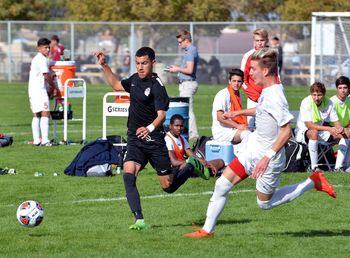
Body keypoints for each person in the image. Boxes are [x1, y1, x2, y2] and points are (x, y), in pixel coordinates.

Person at [184, 48, 336, 238]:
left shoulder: (275, 96)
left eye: (253, 69)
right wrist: (237, 113)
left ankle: (313, 182)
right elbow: (262, 111)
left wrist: (267, 157)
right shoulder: (267, 91)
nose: (250, 73)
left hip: (270, 158)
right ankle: (207, 230)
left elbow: (286, 130)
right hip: (254, 148)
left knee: (264, 204)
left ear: (265, 71)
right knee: (222, 184)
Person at [95, 47, 209, 230]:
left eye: (144, 63)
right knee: (128, 175)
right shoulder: (133, 80)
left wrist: (148, 129)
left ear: (153, 63)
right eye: (138, 63)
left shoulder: (157, 86)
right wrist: (104, 65)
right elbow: (116, 85)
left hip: (154, 140)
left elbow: (162, 115)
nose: (140, 67)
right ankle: (139, 220)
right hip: (135, 139)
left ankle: (189, 166)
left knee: (168, 186)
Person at [295, 82, 350, 172]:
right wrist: (329, 129)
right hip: (303, 131)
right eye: (314, 95)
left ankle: (339, 167)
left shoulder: (329, 102)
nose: (317, 98)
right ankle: (314, 167)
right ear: (311, 94)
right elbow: (309, 125)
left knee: (347, 133)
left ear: (324, 94)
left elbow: (336, 122)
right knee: (314, 132)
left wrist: (340, 129)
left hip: (321, 131)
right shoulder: (306, 102)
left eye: (319, 95)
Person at [240, 28, 280, 130]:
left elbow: (276, 76)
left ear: (266, 41)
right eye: (257, 40)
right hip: (254, 98)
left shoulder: (272, 56)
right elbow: (242, 79)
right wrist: (255, 96)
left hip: (269, 97)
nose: (259, 43)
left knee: (270, 125)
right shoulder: (248, 56)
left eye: (261, 40)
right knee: (251, 127)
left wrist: (277, 93)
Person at [169, 30, 199, 140]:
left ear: (186, 40)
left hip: (188, 83)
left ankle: (193, 134)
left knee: (188, 110)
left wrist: (177, 69)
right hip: (185, 83)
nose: (179, 44)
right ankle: (190, 132)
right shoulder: (188, 50)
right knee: (187, 109)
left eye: (180, 42)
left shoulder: (191, 51)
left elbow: (190, 70)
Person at [28, 38, 58, 146]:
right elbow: (46, 75)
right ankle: (45, 140)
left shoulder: (38, 58)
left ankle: (36, 141)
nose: (48, 49)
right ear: (39, 48)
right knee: (45, 113)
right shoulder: (41, 59)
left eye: (49, 47)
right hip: (39, 90)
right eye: (45, 47)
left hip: (33, 90)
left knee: (37, 115)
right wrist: (54, 87)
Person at [211, 68, 250, 143]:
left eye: (239, 81)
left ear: (242, 82)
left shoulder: (239, 96)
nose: (236, 84)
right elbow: (220, 117)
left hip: (233, 129)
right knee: (246, 134)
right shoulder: (222, 94)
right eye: (234, 81)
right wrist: (238, 126)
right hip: (222, 131)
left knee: (255, 133)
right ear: (229, 81)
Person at [330, 76, 350, 171]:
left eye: (345, 88)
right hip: (329, 130)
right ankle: (338, 167)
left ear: (348, 89)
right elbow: (324, 122)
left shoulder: (349, 100)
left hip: (344, 129)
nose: (343, 90)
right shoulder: (332, 102)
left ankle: (346, 166)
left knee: (347, 133)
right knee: (346, 134)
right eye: (340, 88)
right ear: (337, 89)